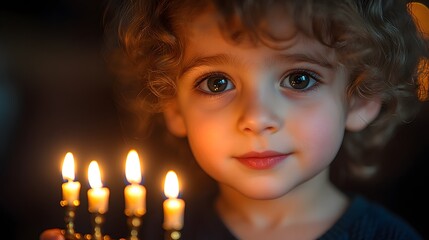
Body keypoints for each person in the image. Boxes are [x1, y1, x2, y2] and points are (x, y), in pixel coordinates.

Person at [41, 0, 429, 239]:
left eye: (299, 79)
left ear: (361, 98)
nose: (256, 119)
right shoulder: (146, 232)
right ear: (173, 106)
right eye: (217, 82)